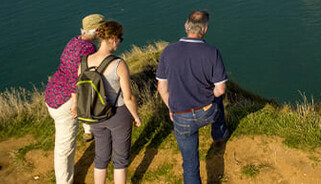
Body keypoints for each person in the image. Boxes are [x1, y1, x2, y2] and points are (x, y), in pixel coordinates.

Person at [156, 10, 228, 184]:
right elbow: (220, 89)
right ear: (205, 29)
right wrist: (209, 94)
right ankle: (219, 136)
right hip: (206, 112)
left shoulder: (168, 51)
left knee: (190, 164)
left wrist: (171, 108)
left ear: (186, 26)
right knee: (217, 99)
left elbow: (162, 88)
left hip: (181, 115)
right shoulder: (212, 52)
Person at [72, 20, 142, 184]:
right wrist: (136, 117)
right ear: (113, 38)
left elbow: (77, 88)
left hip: (95, 114)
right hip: (118, 114)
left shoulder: (83, 62)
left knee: (101, 158)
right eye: (120, 39)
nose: (120, 42)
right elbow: (128, 97)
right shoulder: (118, 63)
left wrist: (76, 106)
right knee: (120, 160)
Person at [45, 13, 105, 184]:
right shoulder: (88, 49)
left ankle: (88, 131)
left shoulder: (74, 41)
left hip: (53, 93)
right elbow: (78, 78)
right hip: (65, 103)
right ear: (97, 30)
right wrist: (74, 104)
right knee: (64, 149)